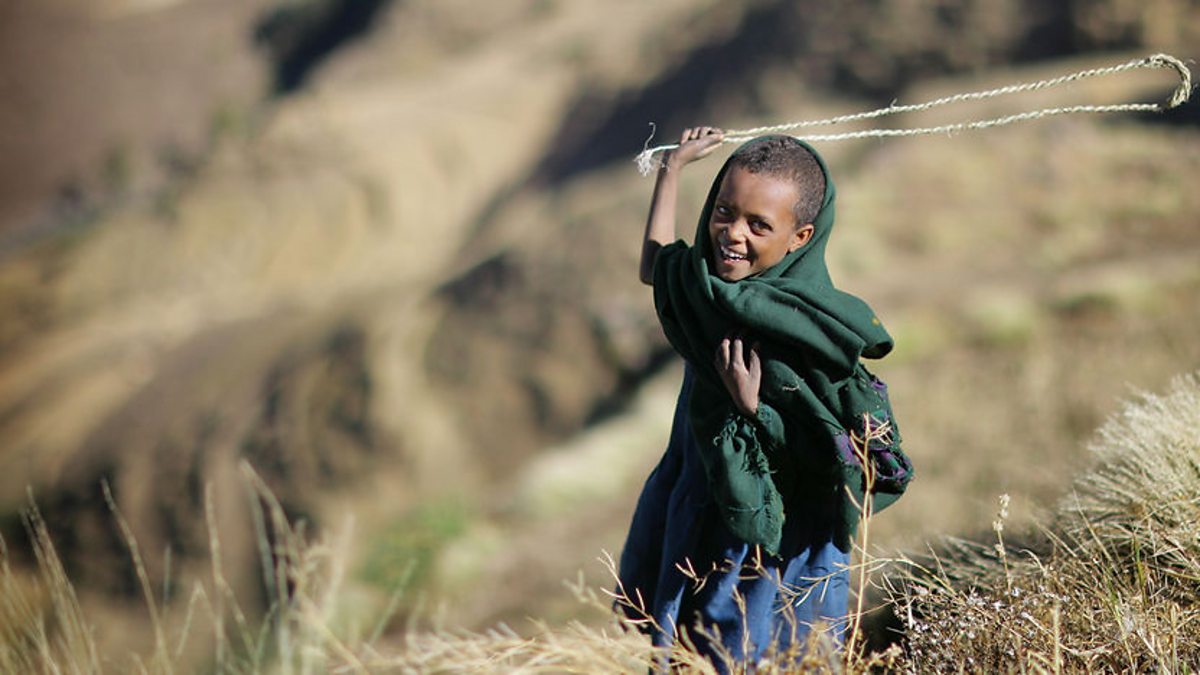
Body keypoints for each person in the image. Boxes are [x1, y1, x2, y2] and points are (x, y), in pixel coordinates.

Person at [617, 127, 913, 669]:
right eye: (723, 212)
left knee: (752, 656)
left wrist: (755, 409)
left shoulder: (811, 331)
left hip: (770, 545)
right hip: (695, 500)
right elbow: (655, 267)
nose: (732, 234)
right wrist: (672, 169)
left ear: (800, 237)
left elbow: (843, 461)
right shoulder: (708, 291)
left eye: (759, 225)